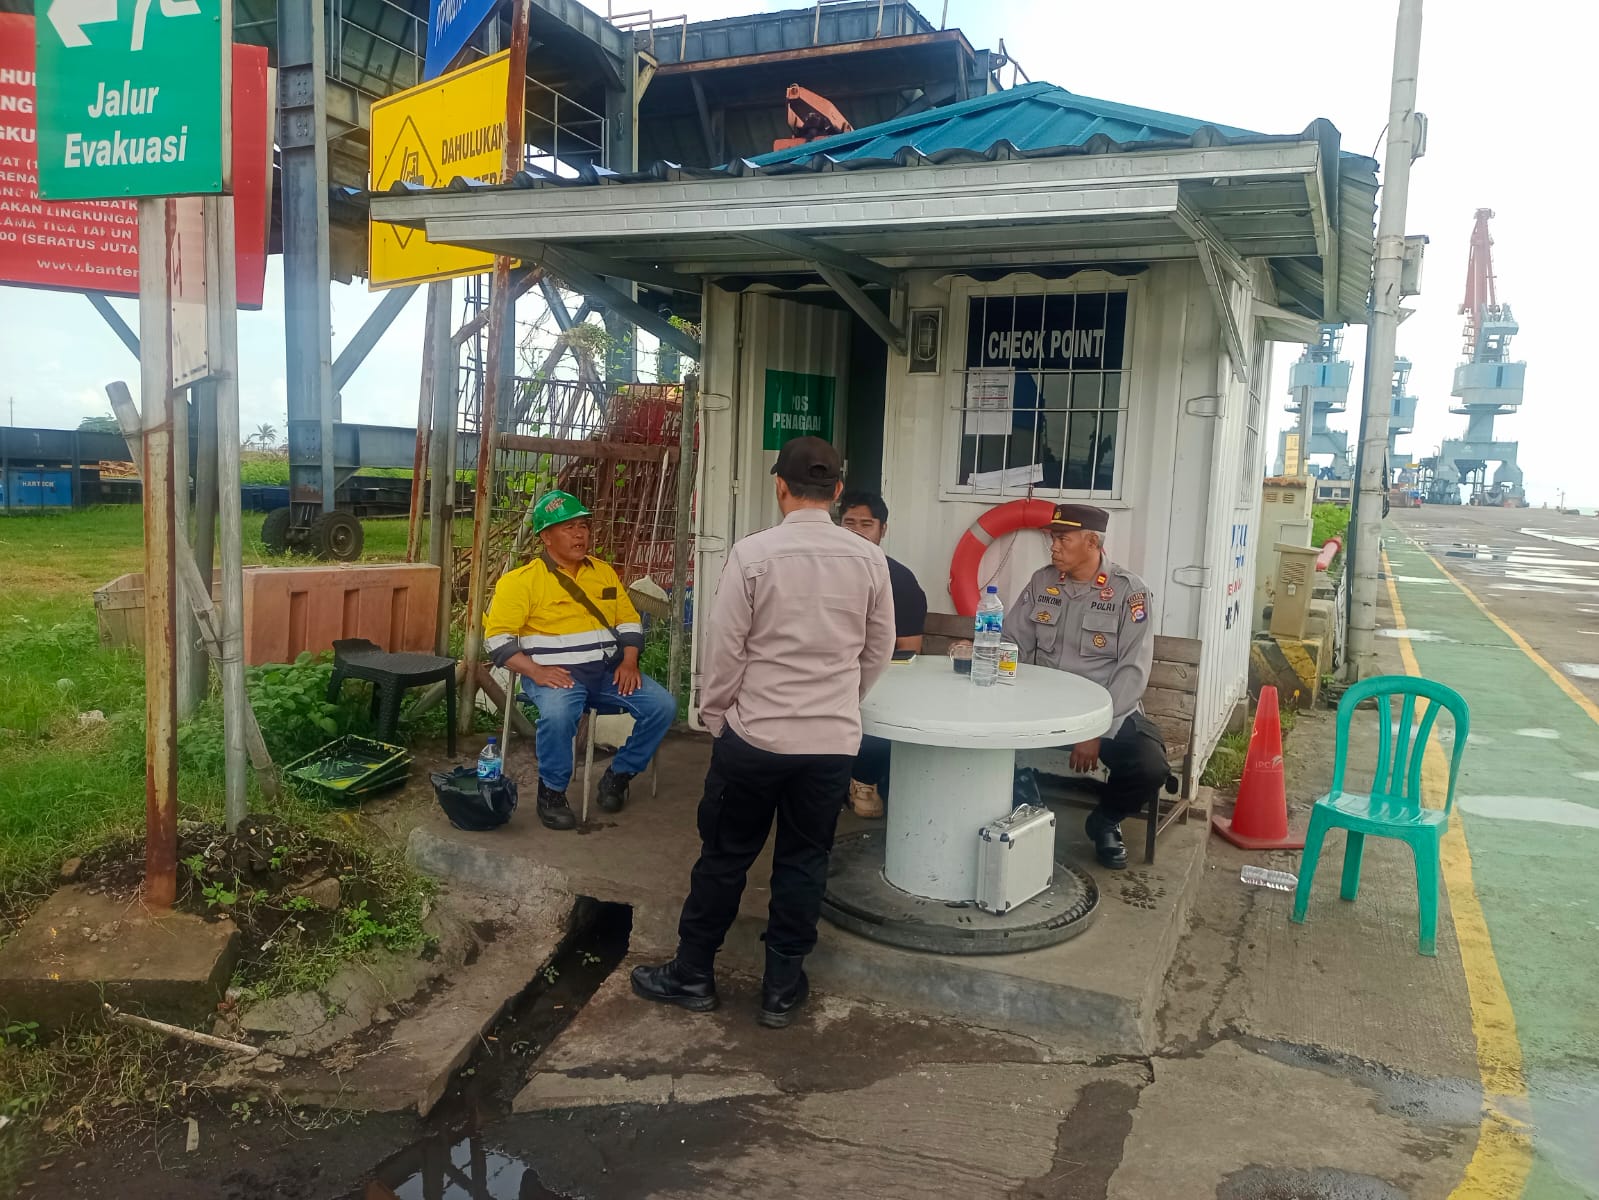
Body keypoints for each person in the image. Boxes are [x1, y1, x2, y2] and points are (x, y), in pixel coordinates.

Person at [631, 437, 896, 1027]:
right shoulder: (869, 559)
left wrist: (717, 715)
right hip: (829, 744)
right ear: (836, 492)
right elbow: (877, 649)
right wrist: (841, 702)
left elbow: (725, 647)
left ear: (780, 487)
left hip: (754, 739)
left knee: (725, 856)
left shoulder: (753, 554)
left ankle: (693, 974)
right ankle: (781, 988)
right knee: (804, 861)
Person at [483, 489, 676, 832]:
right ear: (546, 537)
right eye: (568, 527)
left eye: (583, 526)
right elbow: (496, 639)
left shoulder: (603, 573)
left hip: (608, 672)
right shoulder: (520, 582)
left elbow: (629, 622)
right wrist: (535, 671)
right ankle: (552, 792)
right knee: (559, 714)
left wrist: (629, 661)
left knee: (663, 705)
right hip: (556, 675)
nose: (579, 534)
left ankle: (619, 774)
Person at [1004, 503, 1168, 870]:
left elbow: (1132, 671)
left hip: (1106, 711)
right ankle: (1025, 809)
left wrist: (1095, 729)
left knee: (1149, 765)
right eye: (1053, 538)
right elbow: (1012, 641)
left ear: (1092, 542)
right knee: (985, 737)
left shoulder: (1129, 592)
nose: (1054, 547)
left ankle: (1105, 821)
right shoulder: (1042, 582)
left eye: (1063, 539)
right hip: (1042, 707)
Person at [837, 490, 927, 819]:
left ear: (882, 529)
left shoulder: (899, 580)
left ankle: (864, 778)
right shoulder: (822, 571)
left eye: (866, 524)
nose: (857, 531)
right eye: (849, 523)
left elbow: (909, 651)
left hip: (878, 679)